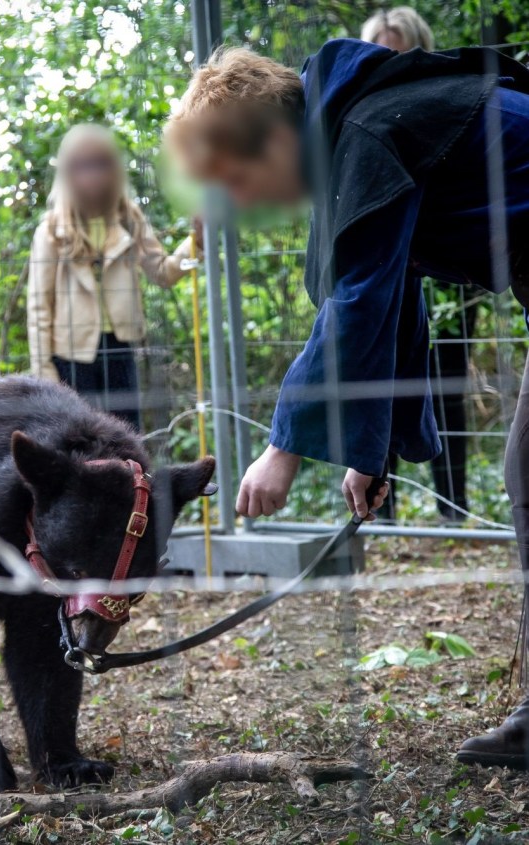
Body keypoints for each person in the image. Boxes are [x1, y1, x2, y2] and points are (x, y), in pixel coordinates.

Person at [166, 41, 529, 765]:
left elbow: (357, 300)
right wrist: (372, 446)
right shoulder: (362, 124)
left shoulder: (363, 134)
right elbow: (392, 294)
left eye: (233, 180)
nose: (238, 203)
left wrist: (283, 448)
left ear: (272, 140)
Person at [362, 6, 476, 522]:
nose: (391, 61)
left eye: (400, 50)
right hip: (397, 270)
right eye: (381, 51)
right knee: (380, 383)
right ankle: (380, 512)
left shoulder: (446, 103)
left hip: (453, 282)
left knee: (446, 391)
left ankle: (454, 506)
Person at [27, 123, 200, 430]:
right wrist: (45, 376)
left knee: (126, 435)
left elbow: (162, 272)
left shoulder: (129, 217)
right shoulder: (51, 230)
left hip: (120, 348)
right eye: (82, 166)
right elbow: (39, 308)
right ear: (67, 172)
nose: (92, 174)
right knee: (78, 439)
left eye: (101, 164)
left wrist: (195, 241)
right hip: (70, 356)